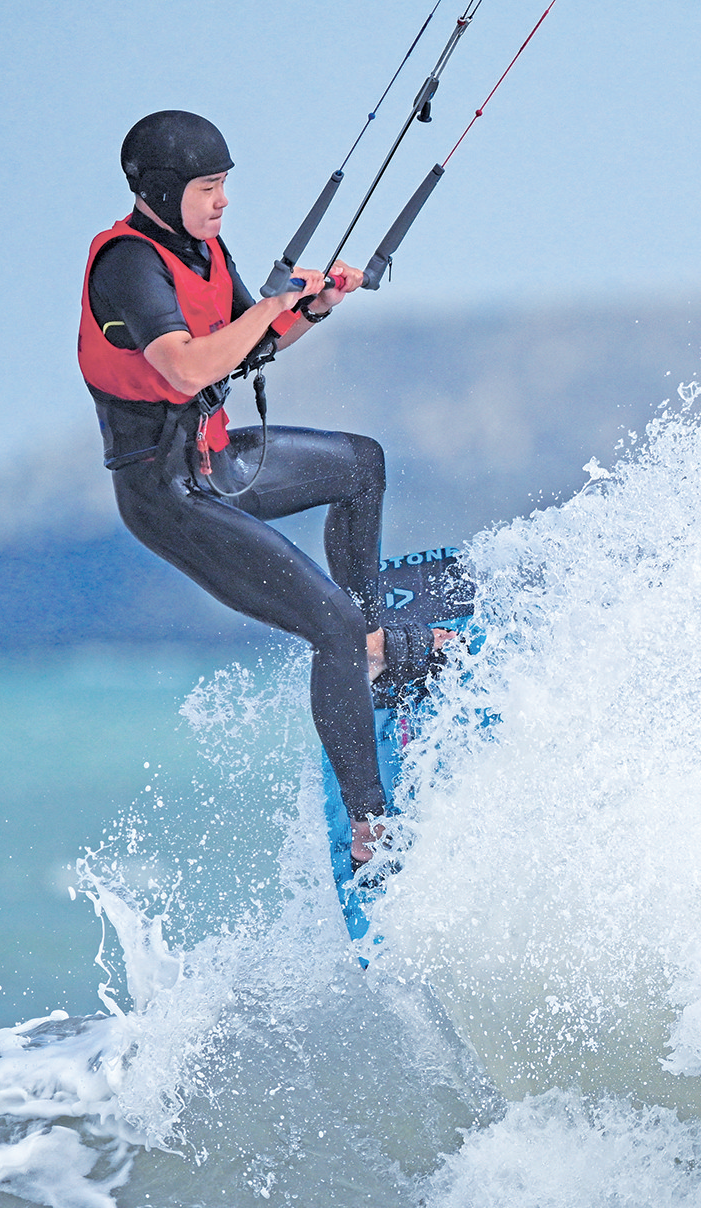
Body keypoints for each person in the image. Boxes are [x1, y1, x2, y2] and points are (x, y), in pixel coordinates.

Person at [79, 110, 439, 875]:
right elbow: (183, 367)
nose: (222, 201)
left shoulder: (203, 249)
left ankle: (370, 652)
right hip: (169, 496)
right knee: (329, 622)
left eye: (225, 186)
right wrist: (273, 311)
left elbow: (248, 343)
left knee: (359, 464)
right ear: (166, 189)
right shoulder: (127, 264)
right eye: (209, 187)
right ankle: (371, 824)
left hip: (215, 462)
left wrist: (308, 309)